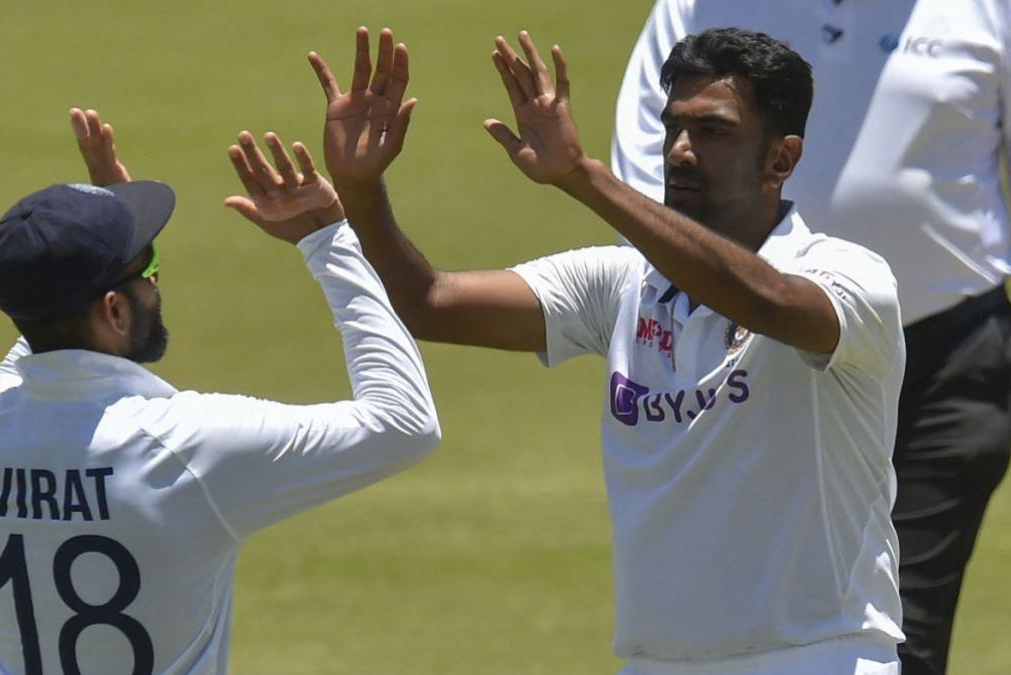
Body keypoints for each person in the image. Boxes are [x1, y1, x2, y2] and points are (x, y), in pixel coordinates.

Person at [308, 26, 904, 673]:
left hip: (817, 656)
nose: (679, 150)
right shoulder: (623, 284)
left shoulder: (849, 278)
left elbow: (767, 303)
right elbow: (426, 300)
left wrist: (583, 178)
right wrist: (360, 190)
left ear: (780, 159)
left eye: (713, 132)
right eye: (673, 126)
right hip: (655, 662)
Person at [0, 109, 440, 675]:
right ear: (114, 310)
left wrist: (99, 231)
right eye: (149, 267)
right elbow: (403, 422)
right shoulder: (188, 447)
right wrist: (328, 238)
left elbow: (40, 341)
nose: (157, 281)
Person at [612, 3, 1011, 672]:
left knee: (902, 634)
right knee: (758, 620)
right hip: (756, 365)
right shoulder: (696, 6)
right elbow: (643, 195)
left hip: (948, 357)